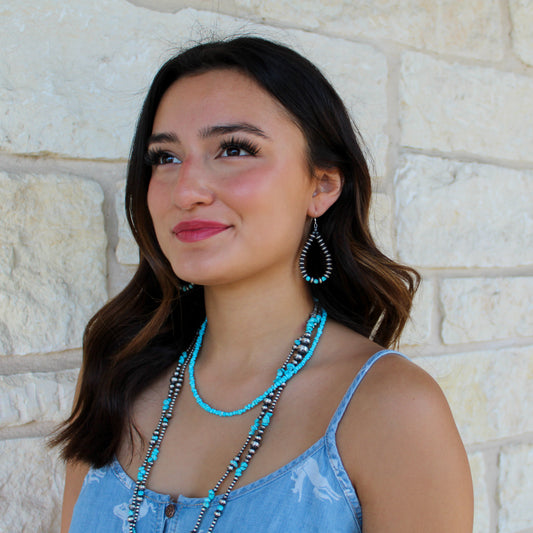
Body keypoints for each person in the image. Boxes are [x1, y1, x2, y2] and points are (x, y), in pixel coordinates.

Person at [53, 36, 473, 532]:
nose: (185, 190)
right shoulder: (116, 373)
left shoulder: (390, 408)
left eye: (233, 149)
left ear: (322, 185)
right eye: (165, 158)